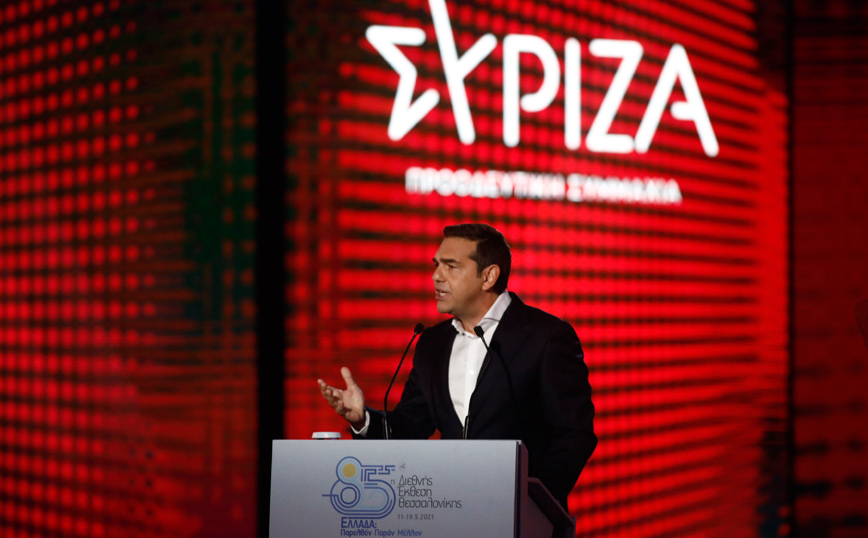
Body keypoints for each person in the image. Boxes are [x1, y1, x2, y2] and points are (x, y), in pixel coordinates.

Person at [318, 223, 596, 507]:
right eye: (437, 265)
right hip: (449, 510)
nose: (436, 276)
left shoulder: (546, 336)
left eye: (451, 266)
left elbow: (574, 434)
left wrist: (534, 499)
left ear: (488, 276)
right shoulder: (432, 343)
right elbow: (411, 427)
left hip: (522, 515)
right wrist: (363, 420)